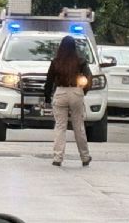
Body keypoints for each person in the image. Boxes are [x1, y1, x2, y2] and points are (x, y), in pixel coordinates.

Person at [44, 36, 92, 167]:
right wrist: (83, 91)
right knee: (78, 126)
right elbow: (88, 78)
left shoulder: (56, 62)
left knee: (60, 126)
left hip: (60, 92)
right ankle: (85, 157)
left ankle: (58, 157)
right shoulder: (81, 61)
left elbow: (49, 81)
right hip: (76, 92)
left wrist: (47, 97)